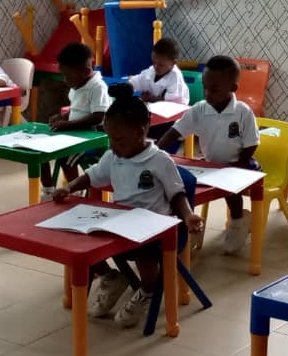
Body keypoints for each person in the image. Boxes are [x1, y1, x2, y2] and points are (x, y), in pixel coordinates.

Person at [54, 95, 204, 329]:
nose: (113, 145)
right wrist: (69, 187)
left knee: (144, 250)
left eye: (119, 140)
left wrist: (188, 216)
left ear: (140, 132)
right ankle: (111, 278)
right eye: (110, 139)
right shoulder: (114, 156)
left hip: (155, 228)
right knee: (80, 242)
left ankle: (148, 290)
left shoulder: (159, 160)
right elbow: (93, 176)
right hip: (120, 222)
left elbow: (177, 195)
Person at [157, 55, 259, 254]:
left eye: (215, 89)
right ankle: (192, 226)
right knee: (185, 185)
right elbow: (174, 133)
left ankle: (238, 220)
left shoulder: (243, 112)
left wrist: (239, 164)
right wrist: (155, 151)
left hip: (242, 162)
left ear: (233, 89)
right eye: (205, 87)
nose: (207, 93)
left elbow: (251, 143)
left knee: (232, 188)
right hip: (210, 164)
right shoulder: (199, 109)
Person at [41, 42, 111, 190]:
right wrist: (63, 117)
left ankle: (74, 191)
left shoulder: (97, 87)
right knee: (42, 150)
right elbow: (77, 110)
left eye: (68, 76)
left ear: (85, 72)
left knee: (66, 157)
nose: (65, 81)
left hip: (92, 137)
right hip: (74, 134)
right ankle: (48, 190)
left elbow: (99, 117)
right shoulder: (77, 86)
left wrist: (69, 124)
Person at [127, 37, 190, 104]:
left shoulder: (175, 77)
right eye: (154, 62)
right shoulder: (151, 71)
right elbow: (137, 81)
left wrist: (150, 98)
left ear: (173, 63)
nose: (156, 67)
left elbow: (170, 103)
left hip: (176, 109)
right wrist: (127, 86)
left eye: (161, 65)